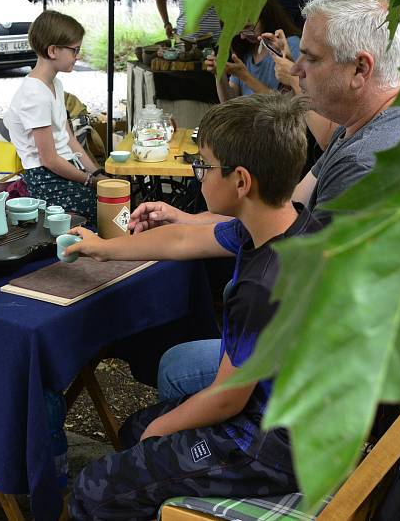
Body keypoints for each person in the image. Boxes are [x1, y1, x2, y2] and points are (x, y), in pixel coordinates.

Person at [130, 0, 400, 399]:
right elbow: (287, 210)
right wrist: (191, 220)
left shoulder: (367, 166)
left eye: (312, 59)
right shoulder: (375, 124)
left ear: (360, 69)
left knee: (176, 366)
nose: (297, 68)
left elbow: (289, 267)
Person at [67, 93, 322, 519]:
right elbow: (184, 238)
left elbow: (225, 400)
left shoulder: (262, 287)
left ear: (241, 181)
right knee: (133, 430)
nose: (198, 175)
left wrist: (158, 432)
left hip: (267, 447)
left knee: (93, 489)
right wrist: (105, 248)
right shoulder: (285, 225)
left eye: (204, 165)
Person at [3, 10, 104, 223]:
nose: (78, 56)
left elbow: (69, 139)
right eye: (75, 50)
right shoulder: (35, 94)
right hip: (46, 178)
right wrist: (90, 181)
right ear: (53, 50)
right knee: (103, 211)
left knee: (112, 201)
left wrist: (98, 175)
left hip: (64, 169)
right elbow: (48, 159)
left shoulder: (55, 84)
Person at [204, 0, 301, 100]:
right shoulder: (245, 50)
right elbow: (229, 102)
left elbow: (286, 106)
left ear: (265, 15)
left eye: (247, 28)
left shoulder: (290, 46)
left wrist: (244, 76)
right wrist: (220, 74)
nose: (243, 36)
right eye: (238, 31)